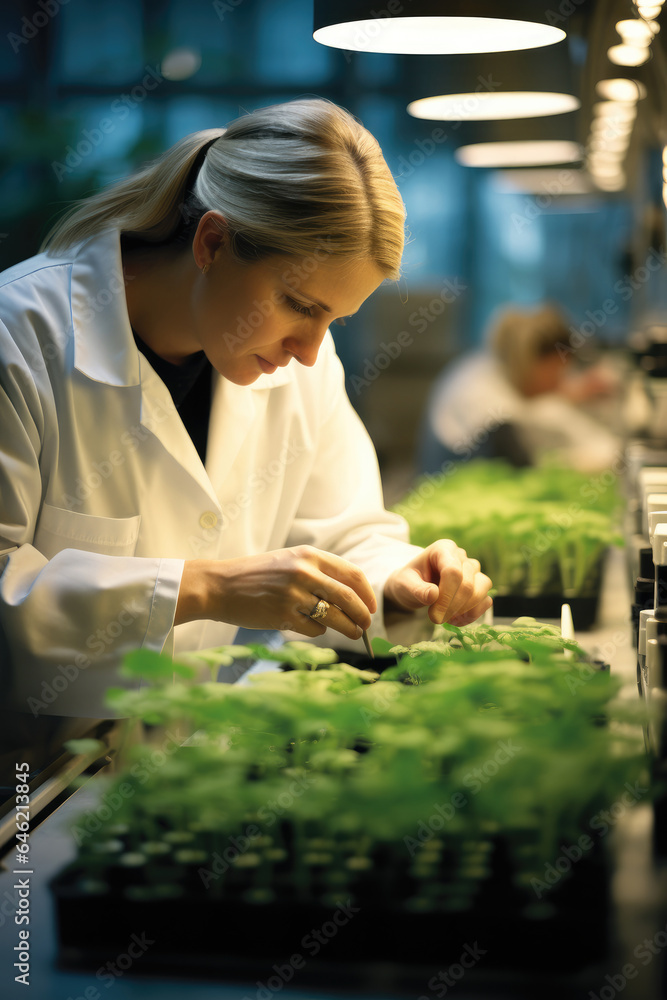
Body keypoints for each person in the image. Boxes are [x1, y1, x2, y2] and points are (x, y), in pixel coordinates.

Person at [0, 98, 492, 742]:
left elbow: (342, 531)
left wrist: (397, 581)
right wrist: (200, 588)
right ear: (212, 242)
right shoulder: (22, 336)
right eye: (298, 304)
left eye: (333, 321)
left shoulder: (301, 361)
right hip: (28, 780)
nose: (311, 350)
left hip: (193, 756)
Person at [419, 302, 621, 475]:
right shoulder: (482, 398)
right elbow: (522, 464)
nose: (559, 384)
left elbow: (531, 401)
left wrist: (572, 394)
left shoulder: (492, 366)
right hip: (445, 485)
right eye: (556, 375)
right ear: (530, 363)